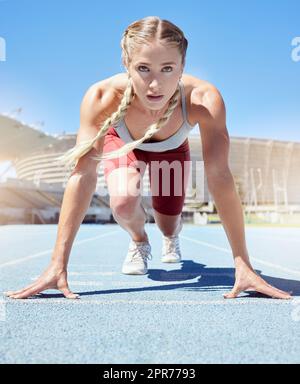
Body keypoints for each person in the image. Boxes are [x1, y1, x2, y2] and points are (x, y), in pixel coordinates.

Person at [5, 16, 292, 300]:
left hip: (173, 151)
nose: (155, 85)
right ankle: (139, 241)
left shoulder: (203, 99)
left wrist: (242, 263)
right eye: (143, 69)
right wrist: (57, 264)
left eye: (167, 68)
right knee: (123, 201)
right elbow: (83, 175)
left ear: (182, 67)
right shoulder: (102, 97)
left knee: (168, 224)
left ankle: (170, 237)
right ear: (126, 65)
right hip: (125, 147)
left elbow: (219, 176)